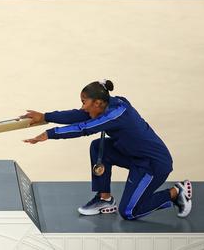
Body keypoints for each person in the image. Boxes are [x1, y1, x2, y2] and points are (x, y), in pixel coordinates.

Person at [22, 80, 193, 219]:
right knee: (98, 147)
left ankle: (176, 192)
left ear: (97, 102)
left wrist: (49, 134)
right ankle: (104, 199)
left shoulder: (116, 114)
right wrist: (45, 116)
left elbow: (83, 128)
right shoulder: (105, 105)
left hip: (153, 165)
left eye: (84, 102)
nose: (82, 107)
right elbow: (78, 115)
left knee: (129, 212)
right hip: (132, 156)